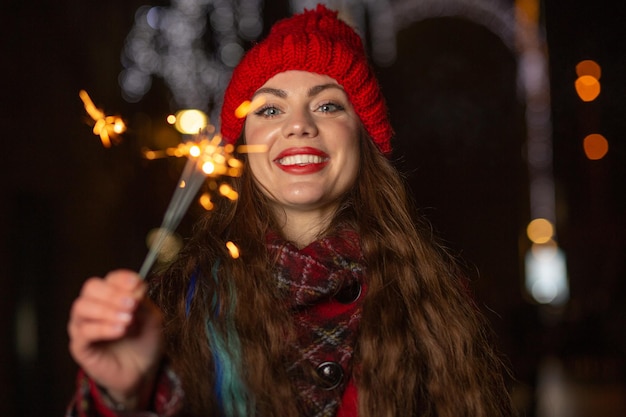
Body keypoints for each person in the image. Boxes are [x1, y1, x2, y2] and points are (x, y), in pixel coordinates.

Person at [67, 4, 512, 417]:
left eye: (327, 105)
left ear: (362, 136)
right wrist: (122, 397)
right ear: (241, 145)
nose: (299, 124)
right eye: (271, 108)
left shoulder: (434, 304)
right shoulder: (177, 305)